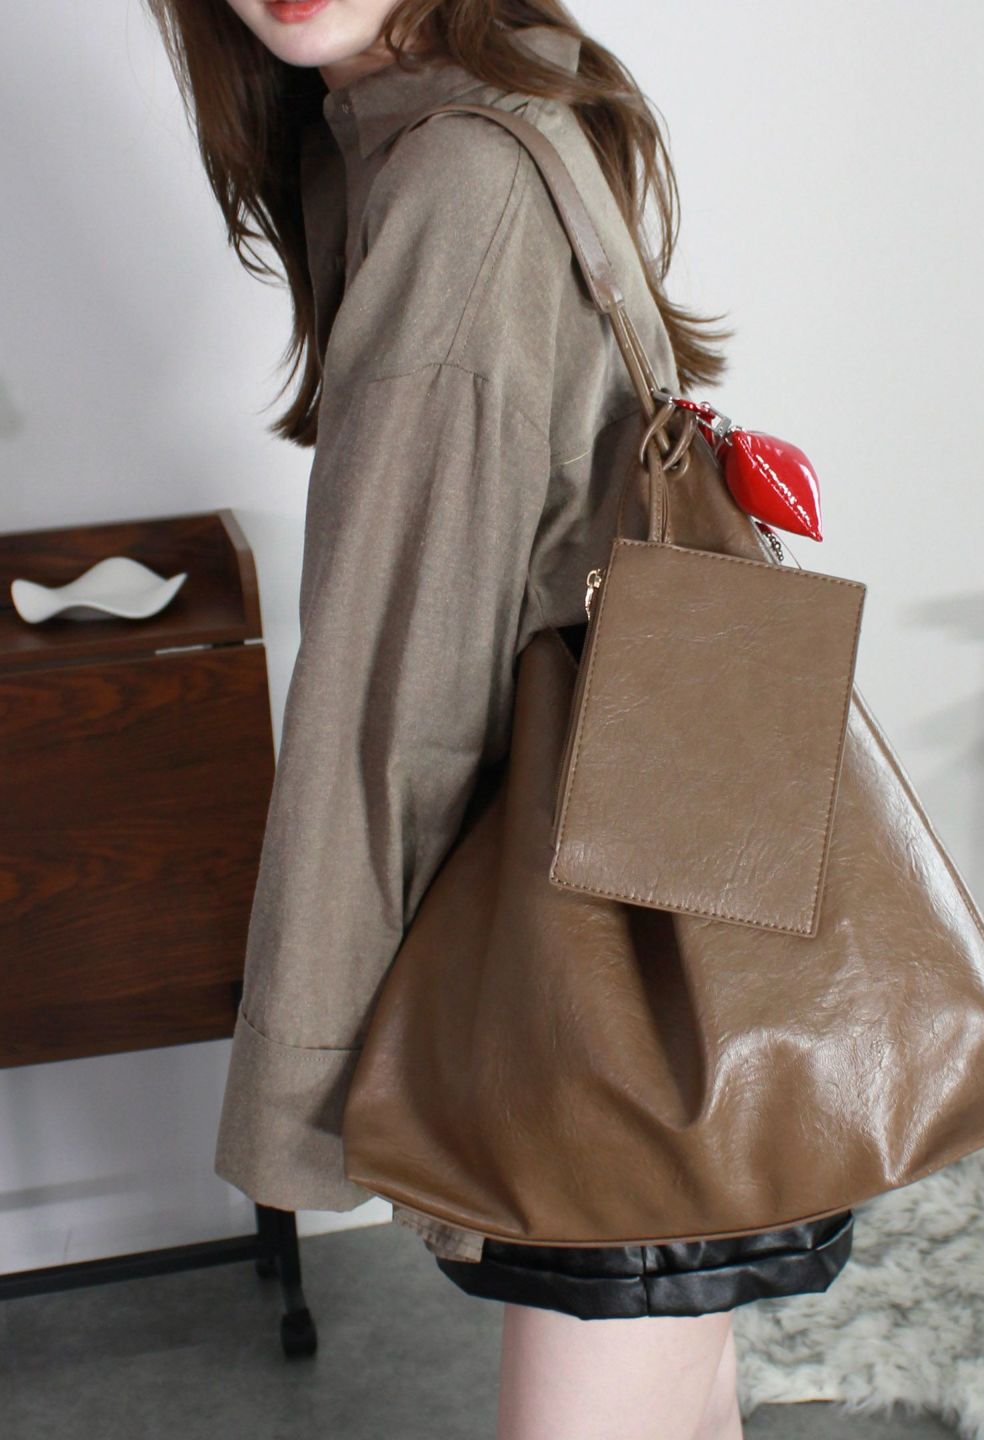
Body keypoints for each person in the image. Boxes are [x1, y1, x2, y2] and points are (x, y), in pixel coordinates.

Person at [140, 2, 854, 1436]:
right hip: (672, 888)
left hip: (588, 962)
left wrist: (307, 1074)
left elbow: (393, 680)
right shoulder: (500, 103)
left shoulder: (456, 170)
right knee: (679, 1389)